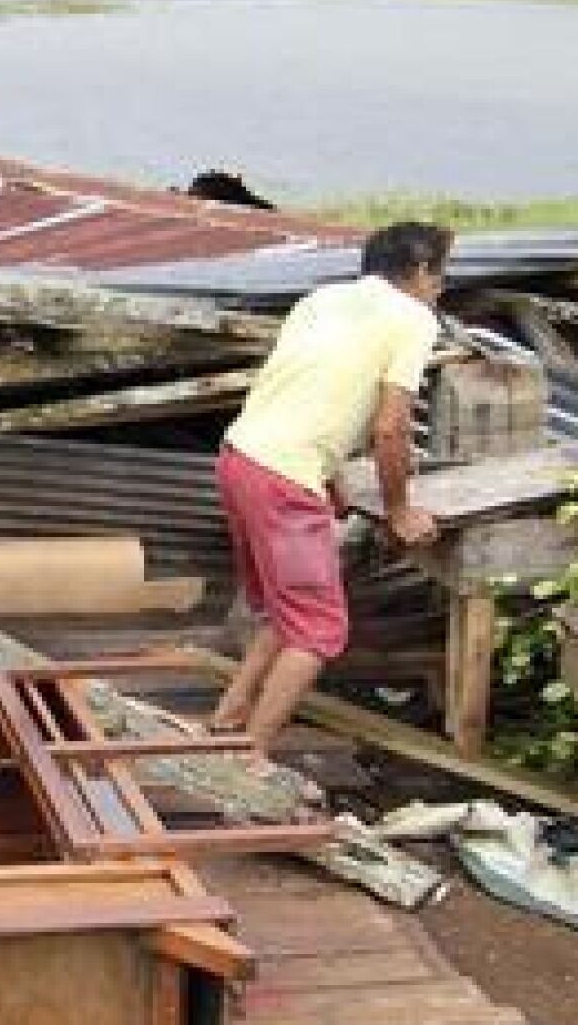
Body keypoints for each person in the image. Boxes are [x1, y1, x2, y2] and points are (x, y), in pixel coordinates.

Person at [208, 222, 451, 759]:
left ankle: (229, 718)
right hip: (284, 477)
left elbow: (307, 391)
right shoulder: (413, 320)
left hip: (240, 456)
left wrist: (332, 475)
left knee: (282, 606)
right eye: (439, 277)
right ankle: (250, 758)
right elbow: (391, 428)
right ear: (418, 272)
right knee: (318, 630)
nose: (440, 289)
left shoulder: (322, 299)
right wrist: (399, 509)